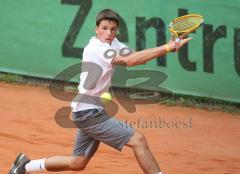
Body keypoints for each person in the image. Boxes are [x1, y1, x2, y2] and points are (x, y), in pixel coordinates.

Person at [8, 9, 191, 174]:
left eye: (113, 29)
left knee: (78, 162)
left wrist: (168, 47)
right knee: (138, 140)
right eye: (104, 28)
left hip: (87, 110)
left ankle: (24, 166)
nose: (109, 33)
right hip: (89, 113)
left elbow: (136, 56)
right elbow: (131, 61)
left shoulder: (113, 42)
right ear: (96, 29)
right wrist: (167, 48)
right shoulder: (99, 49)